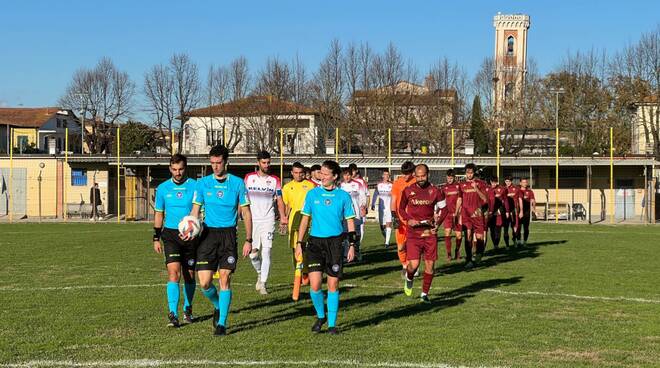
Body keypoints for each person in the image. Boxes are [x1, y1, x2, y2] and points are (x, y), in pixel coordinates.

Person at [189, 144, 253, 336]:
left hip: (228, 236)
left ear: (226, 162)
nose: (215, 166)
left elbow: (247, 214)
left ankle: (222, 324)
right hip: (207, 235)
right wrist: (190, 227)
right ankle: (218, 306)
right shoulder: (202, 184)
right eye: (212, 163)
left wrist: (248, 239)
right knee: (205, 283)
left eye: (218, 163)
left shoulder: (238, 184)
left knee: (225, 278)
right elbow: (195, 211)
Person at [296, 160, 357, 335]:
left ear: (335, 176)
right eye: (320, 173)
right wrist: (300, 243)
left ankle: (331, 324)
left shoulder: (343, 196)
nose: (321, 176)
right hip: (315, 243)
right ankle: (321, 315)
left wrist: (352, 245)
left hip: (335, 244)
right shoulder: (312, 194)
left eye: (325, 174)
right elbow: (305, 219)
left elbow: (350, 221)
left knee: (333, 284)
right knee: (315, 286)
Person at [152, 154, 197, 327]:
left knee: (189, 275)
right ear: (170, 169)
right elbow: (159, 214)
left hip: (191, 235)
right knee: (173, 273)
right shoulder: (163, 188)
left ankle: (187, 308)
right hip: (170, 235)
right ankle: (173, 313)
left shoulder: (195, 186)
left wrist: (196, 228)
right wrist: (156, 237)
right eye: (174, 169)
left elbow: (201, 210)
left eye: (181, 169)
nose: (177, 173)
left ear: (186, 168)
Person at [244, 151, 287, 295]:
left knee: (267, 251)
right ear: (258, 163)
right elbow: (242, 199)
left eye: (268, 162)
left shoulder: (275, 180)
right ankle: (259, 272)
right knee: (253, 254)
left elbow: (280, 200)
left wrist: (283, 217)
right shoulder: (249, 178)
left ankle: (263, 283)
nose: (266, 165)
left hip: (268, 219)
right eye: (264, 162)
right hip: (252, 220)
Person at [399, 164, 444, 303]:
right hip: (413, 233)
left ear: (428, 174)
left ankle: (424, 295)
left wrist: (437, 224)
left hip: (429, 233)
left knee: (430, 265)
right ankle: (409, 277)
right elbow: (401, 209)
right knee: (414, 265)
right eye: (417, 176)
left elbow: (445, 209)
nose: (420, 179)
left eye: (423, 176)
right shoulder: (408, 190)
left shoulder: (436, 191)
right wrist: (408, 220)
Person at [282, 162, 316, 295]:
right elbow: (287, 206)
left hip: (308, 221)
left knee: (306, 248)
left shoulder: (310, 186)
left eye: (301, 172)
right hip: (293, 222)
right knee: (294, 249)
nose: (298, 175)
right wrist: (284, 219)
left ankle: (306, 271)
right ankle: (299, 272)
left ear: (304, 173)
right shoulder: (287, 187)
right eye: (295, 173)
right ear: (292, 173)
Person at [457, 163, 488, 269]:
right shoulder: (462, 185)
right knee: (468, 236)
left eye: (471, 173)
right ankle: (469, 259)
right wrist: (457, 213)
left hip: (477, 214)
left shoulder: (481, 183)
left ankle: (479, 254)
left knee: (480, 238)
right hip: (466, 214)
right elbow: (460, 199)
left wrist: (476, 189)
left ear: (474, 173)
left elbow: (485, 199)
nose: (469, 175)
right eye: (467, 173)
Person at [391, 161, 416, 278]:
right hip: (400, 220)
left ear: (412, 173)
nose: (405, 176)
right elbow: (393, 200)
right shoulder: (397, 183)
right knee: (401, 246)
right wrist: (393, 215)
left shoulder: (416, 182)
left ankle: (414, 266)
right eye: (404, 173)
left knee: (413, 245)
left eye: (408, 173)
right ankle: (404, 265)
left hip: (413, 219)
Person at [340, 168, 366, 261]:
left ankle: (357, 251)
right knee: (344, 233)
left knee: (356, 233)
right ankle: (346, 254)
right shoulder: (340, 186)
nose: (346, 177)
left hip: (356, 213)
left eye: (348, 175)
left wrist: (363, 207)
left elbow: (363, 197)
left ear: (351, 175)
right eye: (345, 175)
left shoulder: (358, 184)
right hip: (344, 214)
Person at [439, 169, 462, 262]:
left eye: (451, 178)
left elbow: (460, 200)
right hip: (448, 215)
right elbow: (441, 202)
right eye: (448, 178)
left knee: (459, 235)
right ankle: (449, 254)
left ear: (454, 178)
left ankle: (457, 251)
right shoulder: (444, 188)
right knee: (447, 233)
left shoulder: (458, 186)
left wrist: (457, 212)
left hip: (458, 214)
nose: (449, 180)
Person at [370, 169, 393, 248]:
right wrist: (372, 204)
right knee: (382, 227)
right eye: (385, 174)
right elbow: (375, 195)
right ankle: (386, 238)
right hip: (381, 207)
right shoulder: (379, 185)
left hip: (389, 207)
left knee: (388, 224)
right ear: (383, 176)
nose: (386, 176)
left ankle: (387, 242)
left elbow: (395, 195)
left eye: (388, 175)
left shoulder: (392, 185)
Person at [487, 176, 509, 251]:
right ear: (490, 182)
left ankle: (496, 245)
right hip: (490, 211)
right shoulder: (488, 189)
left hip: (499, 211)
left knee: (498, 228)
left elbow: (505, 200)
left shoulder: (502, 189)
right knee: (492, 229)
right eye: (492, 182)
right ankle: (494, 244)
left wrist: (507, 211)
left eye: (495, 182)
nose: (494, 184)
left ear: (497, 182)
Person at [349, 163, 369, 243]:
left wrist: (365, 207)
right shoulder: (345, 183)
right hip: (349, 209)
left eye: (352, 171)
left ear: (356, 171)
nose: (351, 173)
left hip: (359, 208)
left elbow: (367, 195)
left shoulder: (361, 182)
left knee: (360, 226)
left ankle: (358, 245)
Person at [502, 176, 521, 249]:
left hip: (514, 210)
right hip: (505, 211)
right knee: (506, 228)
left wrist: (520, 210)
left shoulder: (516, 189)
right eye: (506, 181)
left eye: (509, 181)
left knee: (514, 227)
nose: (508, 183)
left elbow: (519, 199)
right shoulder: (503, 189)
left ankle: (515, 240)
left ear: (511, 181)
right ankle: (507, 245)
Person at [517, 177, 536, 247]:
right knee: (518, 227)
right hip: (519, 211)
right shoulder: (518, 191)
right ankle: (518, 241)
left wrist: (534, 209)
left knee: (526, 228)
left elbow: (533, 200)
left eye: (526, 182)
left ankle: (525, 242)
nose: (525, 183)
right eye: (523, 182)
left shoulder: (530, 191)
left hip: (527, 212)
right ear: (520, 183)